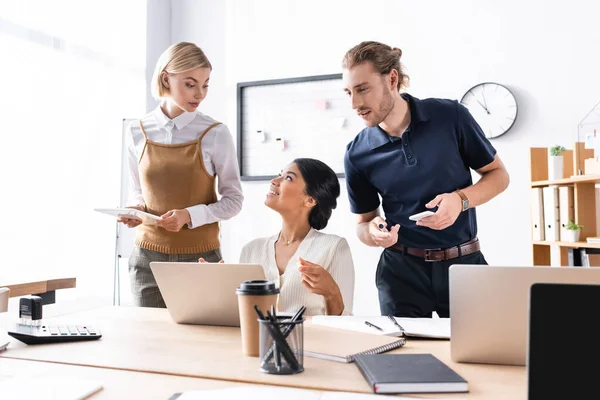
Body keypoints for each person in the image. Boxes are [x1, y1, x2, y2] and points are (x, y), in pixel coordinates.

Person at [342, 41, 510, 318]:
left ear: (392, 79)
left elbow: (499, 176)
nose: (354, 104)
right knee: (406, 360)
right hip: (399, 273)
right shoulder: (357, 153)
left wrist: (460, 200)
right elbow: (363, 223)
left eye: (362, 89)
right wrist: (374, 233)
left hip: (464, 266)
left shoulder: (450, 117)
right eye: (348, 92)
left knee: (479, 358)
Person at [120, 42, 243, 308]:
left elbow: (234, 200)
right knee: (150, 344)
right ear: (166, 78)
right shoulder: (136, 131)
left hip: (200, 259)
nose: (200, 94)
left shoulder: (215, 133)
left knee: (200, 345)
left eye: (205, 84)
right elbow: (137, 190)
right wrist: (136, 209)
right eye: (190, 84)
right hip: (146, 260)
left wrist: (189, 215)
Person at [203, 158, 355, 316]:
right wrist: (218, 283)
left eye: (288, 178)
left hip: (310, 340)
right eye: (279, 175)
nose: (274, 181)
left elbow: (344, 324)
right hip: (258, 341)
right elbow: (240, 315)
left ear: (310, 200)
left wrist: (331, 292)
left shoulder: (334, 247)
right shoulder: (251, 249)